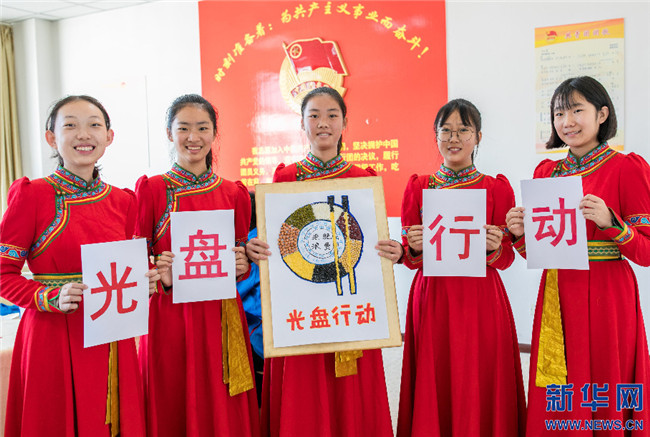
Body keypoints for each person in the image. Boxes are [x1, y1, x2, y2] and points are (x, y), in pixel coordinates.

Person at [246, 87, 402, 437]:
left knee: (350, 400)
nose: (323, 123)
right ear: (302, 123)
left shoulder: (362, 180)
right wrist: (257, 248)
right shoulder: (285, 179)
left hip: (350, 310)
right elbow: (281, 243)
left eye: (332, 115)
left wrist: (392, 250)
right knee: (304, 399)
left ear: (345, 123)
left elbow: (367, 245)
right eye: (314, 115)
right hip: (301, 310)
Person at [506, 76, 650, 436]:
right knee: (559, 383)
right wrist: (519, 234)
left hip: (608, 294)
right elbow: (537, 253)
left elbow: (646, 252)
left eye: (576, 110)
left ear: (602, 114)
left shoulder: (627, 168)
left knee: (605, 379)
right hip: (558, 292)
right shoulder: (547, 173)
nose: (567, 121)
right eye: (559, 113)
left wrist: (612, 224)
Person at [0, 95, 150, 436]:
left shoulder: (124, 201)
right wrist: (49, 296)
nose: (84, 134)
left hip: (112, 336)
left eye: (94, 125)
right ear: (51, 138)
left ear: (109, 137)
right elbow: (3, 273)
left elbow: (132, 269)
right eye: (70, 125)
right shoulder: (33, 195)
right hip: (52, 336)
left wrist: (151, 277)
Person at [397, 99, 526, 437]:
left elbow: (508, 258)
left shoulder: (496, 188)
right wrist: (414, 247)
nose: (453, 139)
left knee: (480, 374)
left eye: (463, 130)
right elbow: (410, 258)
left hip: (481, 298)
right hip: (433, 297)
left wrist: (495, 249)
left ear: (478, 137)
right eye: (446, 131)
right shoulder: (418, 186)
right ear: (436, 136)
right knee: (435, 374)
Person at [135, 94, 260, 437]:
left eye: (203, 128)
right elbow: (136, 261)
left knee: (220, 402)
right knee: (172, 398)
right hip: (170, 316)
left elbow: (239, 258)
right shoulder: (152, 190)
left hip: (220, 314)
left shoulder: (233, 193)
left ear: (214, 133)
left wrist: (241, 264)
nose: (194, 137)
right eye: (184, 128)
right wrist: (159, 275)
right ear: (169, 133)